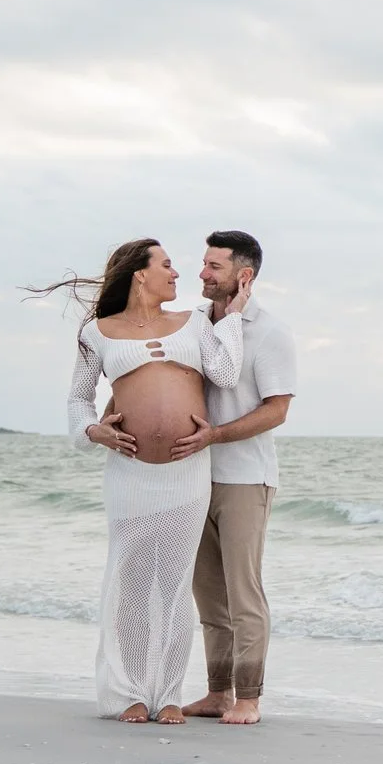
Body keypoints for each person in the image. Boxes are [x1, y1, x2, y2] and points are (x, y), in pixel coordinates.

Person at [41, 238, 249, 723]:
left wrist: (233, 314)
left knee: (176, 587)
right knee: (130, 584)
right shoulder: (97, 332)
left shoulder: (196, 322)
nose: (178, 275)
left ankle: (169, 693)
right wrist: (93, 431)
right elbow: (78, 399)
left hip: (187, 473)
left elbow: (224, 371)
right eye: (168, 265)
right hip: (129, 475)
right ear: (140, 273)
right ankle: (128, 692)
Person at [175, 230, 296, 725]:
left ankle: (249, 697)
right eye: (203, 264)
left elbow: (277, 410)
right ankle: (218, 693)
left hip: (245, 478)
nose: (202, 274)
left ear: (243, 276)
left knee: (244, 595)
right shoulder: (195, 325)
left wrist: (216, 437)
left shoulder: (269, 331)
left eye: (214, 267)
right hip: (193, 477)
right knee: (209, 596)